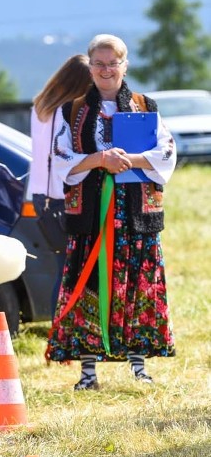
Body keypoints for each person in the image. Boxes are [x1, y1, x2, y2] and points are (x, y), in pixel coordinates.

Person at [46, 34, 176, 390]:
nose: (106, 70)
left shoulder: (144, 105)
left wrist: (128, 160)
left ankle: (138, 366)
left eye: (112, 63)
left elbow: (167, 153)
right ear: (89, 67)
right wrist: (100, 159)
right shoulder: (71, 111)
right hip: (92, 216)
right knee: (88, 282)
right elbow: (60, 160)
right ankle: (88, 372)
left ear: (124, 65)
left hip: (134, 215)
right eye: (99, 63)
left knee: (137, 285)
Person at [30, 54, 92, 312]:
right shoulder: (68, 112)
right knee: (74, 268)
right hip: (65, 193)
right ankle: (67, 326)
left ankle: (61, 327)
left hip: (43, 195)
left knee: (62, 266)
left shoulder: (41, 107)